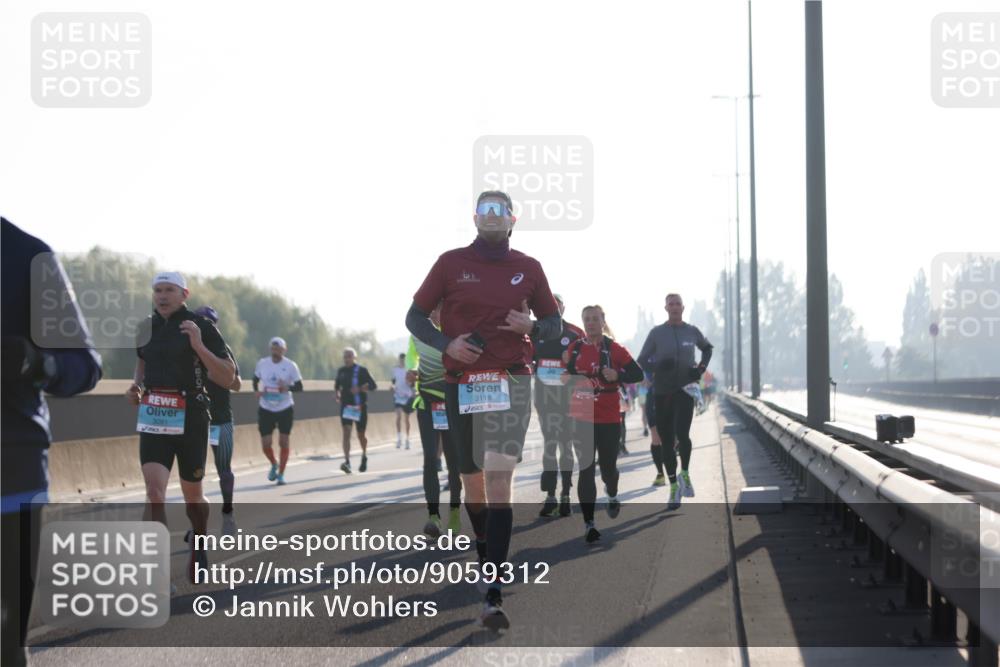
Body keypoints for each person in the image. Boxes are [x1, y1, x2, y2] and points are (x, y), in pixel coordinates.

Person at [405, 190, 562, 629]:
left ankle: (492, 590)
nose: (493, 215)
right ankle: (482, 543)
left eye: (501, 209)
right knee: (470, 480)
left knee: (498, 479)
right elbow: (414, 317)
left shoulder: (529, 268)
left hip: (511, 380)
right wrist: (446, 343)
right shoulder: (450, 263)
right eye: (485, 208)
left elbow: (552, 323)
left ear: (513, 219)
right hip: (462, 385)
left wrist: (532, 325)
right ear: (475, 218)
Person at [2, 218, 102, 667]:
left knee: (5, 644)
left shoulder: (26, 255)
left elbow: (84, 364)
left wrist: (37, 363)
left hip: (11, 477)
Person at [126, 272, 235, 583]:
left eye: (169, 290)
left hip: (192, 418)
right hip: (154, 416)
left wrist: (199, 346)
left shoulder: (201, 326)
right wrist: (135, 387)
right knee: (154, 492)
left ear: (184, 294)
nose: (162, 295)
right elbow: (142, 362)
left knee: (193, 499)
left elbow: (228, 376)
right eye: (157, 290)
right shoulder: (145, 328)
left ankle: (199, 543)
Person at [562, 306, 643, 543]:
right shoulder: (575, 348)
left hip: (609, 417)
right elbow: (565, 375)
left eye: (595, 319)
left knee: (608, 468)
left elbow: (638, 374)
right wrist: (567, 378)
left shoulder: (614, 349)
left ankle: (613, 492)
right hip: (581, 417)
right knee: (586, 468)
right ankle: (589, 524)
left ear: (603, 321)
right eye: (587, 319)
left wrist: (617, 376)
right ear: (583, 322)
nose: (591, 323)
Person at [638, 293, 713, 510]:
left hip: (686, 390)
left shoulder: (691, 331)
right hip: (662, 392)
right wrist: (658, 368)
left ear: (683, 307)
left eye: (677, 303)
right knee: (667, 441)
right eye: (670, 304)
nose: (674, 307)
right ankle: (673, 486)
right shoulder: (657, 333)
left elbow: (707, 348)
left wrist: (700, 368)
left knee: (683, 435)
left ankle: (685, 474)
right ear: (666, 308)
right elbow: (642, 360)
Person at [406, 302, 463, 537]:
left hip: (452, 405)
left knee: (454, 463)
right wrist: (411, 372)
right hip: (427, 404)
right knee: (430, 459)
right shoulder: (417, 335)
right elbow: (412, 362)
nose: (434, 315)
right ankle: (433, 517)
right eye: (432, 311)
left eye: (438, 309)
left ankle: (455, 516)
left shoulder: (455, 335)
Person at [530, 293, 582, 518]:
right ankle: (551, 494)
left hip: (568, 398)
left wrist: (572, 362)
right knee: (550, 443)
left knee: (565, 444)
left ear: (563, 308)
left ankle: (566, 494)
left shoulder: (574, 333)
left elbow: (587, 363)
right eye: (549, 303)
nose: (553, 307)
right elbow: (525, 358)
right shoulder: (535, 332)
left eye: (557, 304)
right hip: (543, 397)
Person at [193, 306, 242, 530]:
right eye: (199, 320)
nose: (204, 325)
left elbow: (238, 385)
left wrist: (215, 374)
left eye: (208, 322)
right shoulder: (186, 348)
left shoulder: (224, 350)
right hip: (194, 419)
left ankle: (228, 511)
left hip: (220, 419)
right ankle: (197, 522)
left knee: (224, 469)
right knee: (193, 473)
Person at [253, 337, 304, 485]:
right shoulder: (263, 363)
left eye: (279, 348)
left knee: (284, 441)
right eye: (273, 348)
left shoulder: (290, 366)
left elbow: (300, 387)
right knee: (266, 444)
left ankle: (281, 474)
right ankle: (274, 463)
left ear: (284, 350)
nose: (276, 351)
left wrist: (287, 387)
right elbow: (255, 380)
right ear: (271, 349)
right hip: (266, 407)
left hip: (284, 407)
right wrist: (258, 390)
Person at [335, 347, 377, 474]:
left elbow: (373, 386)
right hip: (346, 407)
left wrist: (360, 389)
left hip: (360, 407)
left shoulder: (362, 371)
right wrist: (337, 394)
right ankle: (347, 461)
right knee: (346, 433)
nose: (347, 358)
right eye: (345, 356)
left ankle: (364, 455)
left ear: (354, 357)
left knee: (361, 435)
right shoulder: (341, 371)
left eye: (349, 356)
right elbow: (337, 386)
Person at [390, 353, 415, 449]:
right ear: (399, 359)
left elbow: (412, 384)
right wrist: (392, 386)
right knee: (398, 416)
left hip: (407, 396)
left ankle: (407, 439)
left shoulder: (408, 370)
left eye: (404, 359)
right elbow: (393, 381)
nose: (402, 361)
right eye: (401, 359)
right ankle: (399, 438)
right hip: (398, 396)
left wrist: (410, 383)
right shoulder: (395, 369)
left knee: (407, 419)